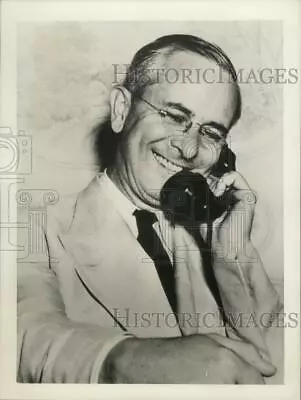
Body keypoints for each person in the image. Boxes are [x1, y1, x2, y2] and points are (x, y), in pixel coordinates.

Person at [17, 34, 283, 384]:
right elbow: (23, 334)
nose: (189, 149)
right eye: (175, 116)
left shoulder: (218, 237)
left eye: (211, 133)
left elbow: (274, 361)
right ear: (121, 110)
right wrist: (122, 362)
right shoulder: (33, 224)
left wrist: (233, 250)